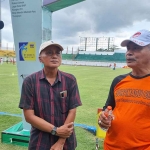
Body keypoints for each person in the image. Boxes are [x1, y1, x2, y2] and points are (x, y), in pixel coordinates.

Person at [19, 40, 82, 150]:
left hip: (66, 142)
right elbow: (29, 116)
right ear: (40, 58)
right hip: (39, 141)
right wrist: (56, 130)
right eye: (49, 53)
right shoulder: (30, 81)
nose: (54, 56)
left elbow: (72, 111)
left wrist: (61, 141)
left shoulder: (70, 80)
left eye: (57, 53)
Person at [98, 29, 150, 150]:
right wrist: (104, 118)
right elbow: (108, 108)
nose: (129, 53)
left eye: (136, 48)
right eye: (128, 49)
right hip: (111, 147)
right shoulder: (118, 81)